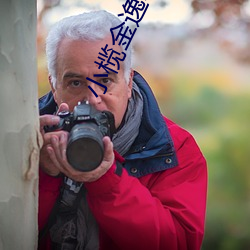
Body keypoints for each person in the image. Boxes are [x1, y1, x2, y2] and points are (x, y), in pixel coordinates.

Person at [38, 10, 207, 250]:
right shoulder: (25, 136)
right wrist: (40, 173)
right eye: (75, 83)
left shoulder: (174, 147)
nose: (92, 99)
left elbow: (180, 243)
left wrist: (106, 179)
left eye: (105, 81)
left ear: (128, 83)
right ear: (54, 87)